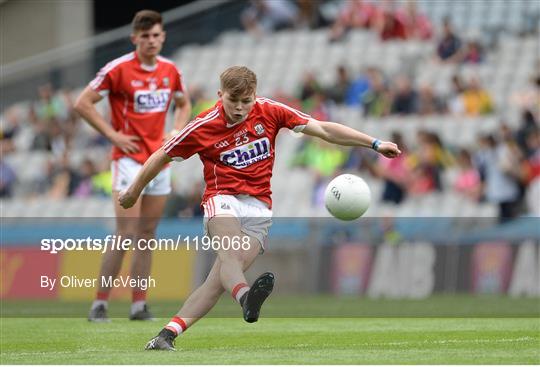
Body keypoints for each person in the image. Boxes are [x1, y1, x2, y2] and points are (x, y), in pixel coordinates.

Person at [118, 66, 401, 350]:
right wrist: (134, 190)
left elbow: (324, 129)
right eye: (233, 101)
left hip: (260, 207)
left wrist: (374, 143)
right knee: (230, 256)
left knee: (218, 281)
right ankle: (246, 298)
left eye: (246, 100)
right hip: (222, 198)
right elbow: (161, 156)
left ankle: (166, 335)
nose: (240, 108)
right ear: (220, 95)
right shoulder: (203, 125)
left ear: (255, 95)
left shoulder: (270, 111)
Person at [74, 10, 191, 322]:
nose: (151, 41)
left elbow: (184, 103)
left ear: (163, 36)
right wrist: (112, 135)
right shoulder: (118, 69)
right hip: (127, 161)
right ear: (134, 38)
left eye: (156, 35)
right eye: (145, 36)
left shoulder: (170, 70)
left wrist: (176, 130)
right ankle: (99, 303)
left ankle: (139, 305)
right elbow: (82, 103)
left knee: (148, 233)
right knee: (125, 233)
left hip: (160, 160)